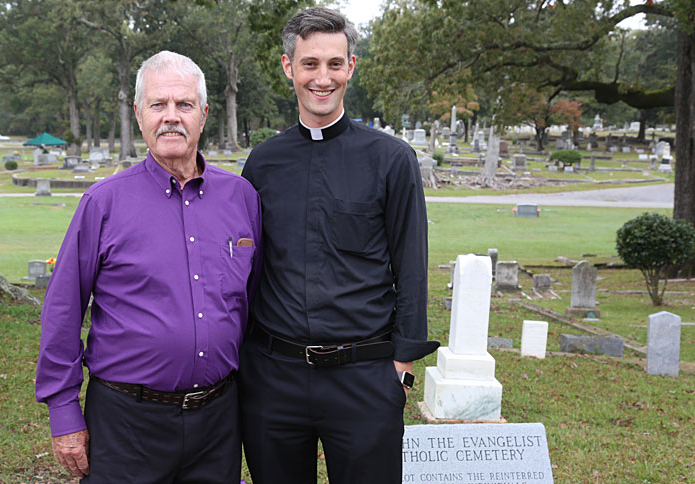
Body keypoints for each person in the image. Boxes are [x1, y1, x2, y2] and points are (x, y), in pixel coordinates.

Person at [36, 50, 262, 483]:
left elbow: (251, 303)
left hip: (218, 423)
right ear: (140, 114)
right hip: (126, 424)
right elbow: (63, 309)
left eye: (184, 105)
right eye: (159, 105)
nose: (171, 117)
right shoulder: (103, 203)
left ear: (204, 114)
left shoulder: (241, 198)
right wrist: (64, 413)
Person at [239, 8, 438, 484]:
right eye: (310, 64)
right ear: (289, 67)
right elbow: (247, 269)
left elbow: (411, 265)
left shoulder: (392, 160)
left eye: (334, 63)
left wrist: (402, 368)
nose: (321, 78)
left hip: (365, 377)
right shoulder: (263, 163)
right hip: (275, 377)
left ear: (352, 66)